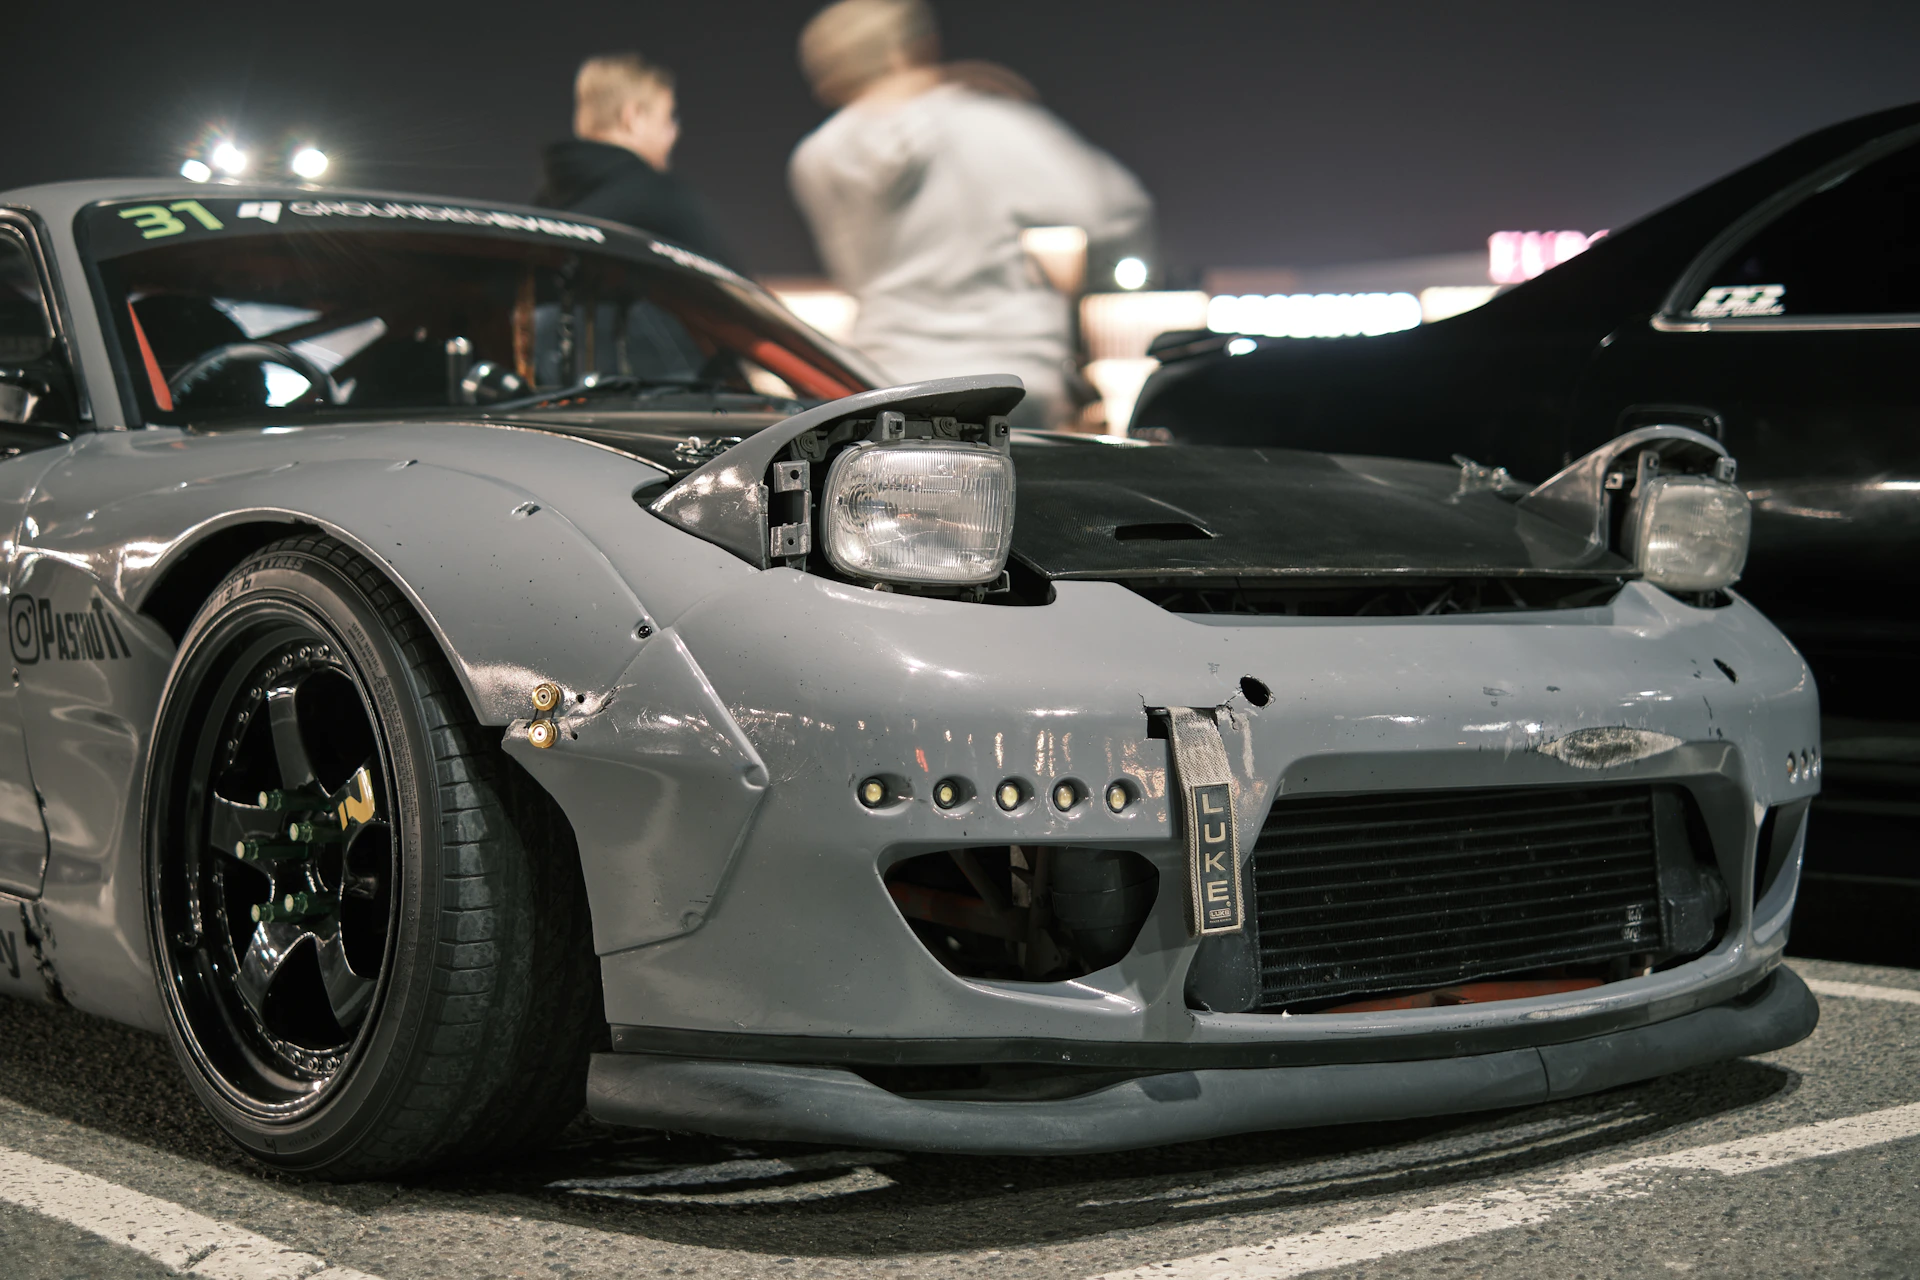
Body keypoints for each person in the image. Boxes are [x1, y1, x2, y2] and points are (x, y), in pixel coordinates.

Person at [789, 0, 1153, 429]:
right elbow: (1117, 207)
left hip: (888, 381)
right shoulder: (985, 125)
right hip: (1011, 382)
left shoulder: (815, 157)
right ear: (911, 48)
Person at [533, 53, 741, 270]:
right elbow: (741, 291)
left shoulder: (543, 207)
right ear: (633, 118)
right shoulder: (664, 199)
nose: (673, 132)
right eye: (668, 117)